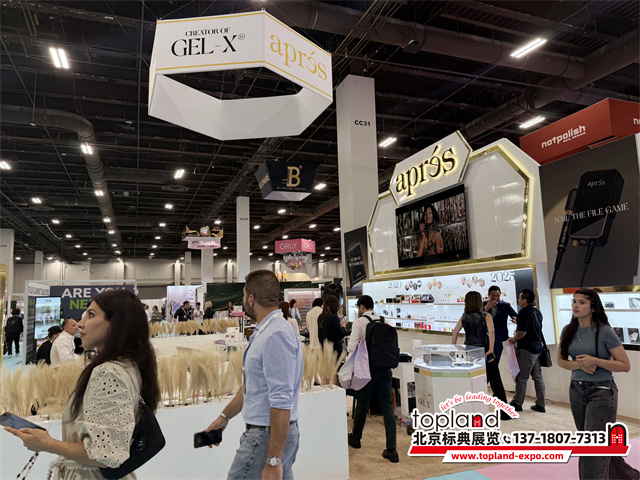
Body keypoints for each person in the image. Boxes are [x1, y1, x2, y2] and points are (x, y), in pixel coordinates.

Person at [5, 289, 161, 480]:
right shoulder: (129, 364)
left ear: (116, 324)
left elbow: (107, 455)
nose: (80, 323)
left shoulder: (108, 372)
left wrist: (48, 444)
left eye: (91, 315)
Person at [203, 270, 303, 480]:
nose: (242, 300)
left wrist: (273, 460)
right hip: (265, 436)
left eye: (243, 295)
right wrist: (224, 417)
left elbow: (281, 401)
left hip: (265, 439)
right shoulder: (266, 332)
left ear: (251, 299)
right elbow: (250, 388)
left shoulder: (275, 335)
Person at [558, 289, 633, 480]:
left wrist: (596, 361)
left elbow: (625, 365)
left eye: (582, 302)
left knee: (592, 447)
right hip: (576, 389)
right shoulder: (568, 330)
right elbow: (561, 361)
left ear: (593, 307)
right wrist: (580, 365)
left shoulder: (605, 332)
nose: (576, 305)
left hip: (602, 390)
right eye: (574, 301)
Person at [347, 295, 398, 463]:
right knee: (387, 408)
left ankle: (356, 439)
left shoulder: (359, 322)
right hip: (385, 369)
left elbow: (351, 347)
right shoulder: (384, 321)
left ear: (362, 307)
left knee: (362, 403)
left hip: (366, 370)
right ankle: (392, 449)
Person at [452, 292, 510, 420]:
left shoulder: (464, 316)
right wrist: (491, 349)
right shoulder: (486, 316)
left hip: (469, 353)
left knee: (473, 381)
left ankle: (470, 410)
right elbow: (492, 332)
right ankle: (504, 413)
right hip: (484, 351)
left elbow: (455, 332)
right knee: (496, 382)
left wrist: (454, 347)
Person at [508, 289, 546, 413]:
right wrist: (518, 322)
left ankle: (517, 403)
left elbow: (521, 333)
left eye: (520, 298)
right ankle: (541, 404)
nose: (519, 301)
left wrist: (513, 338)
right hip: (538, 348)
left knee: (521, 377)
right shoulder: (537, 311)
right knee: (538, 377)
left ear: (524, 300)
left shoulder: (524, 312)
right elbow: (533, 327)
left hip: (527, 349)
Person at [483, 285, 517, 368]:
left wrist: (516, 321)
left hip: (499, 338)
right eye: (493, 296)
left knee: (494, 362)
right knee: (484, 363)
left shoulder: (505, 305)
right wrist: (486, 308)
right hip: (484, 338)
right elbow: (477, 317)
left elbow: (516, 317)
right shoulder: (483, 304)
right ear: (488, 295)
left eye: (497, 296)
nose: (495, 298)